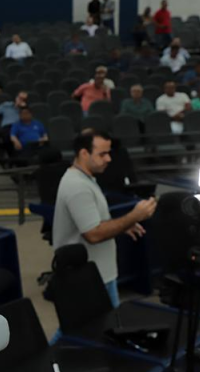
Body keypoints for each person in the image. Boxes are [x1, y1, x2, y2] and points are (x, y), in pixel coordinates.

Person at [53, 130, 157, 310]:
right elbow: (93, 234)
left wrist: (122, 226)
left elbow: (94, 222)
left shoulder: (85, 179)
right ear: (84, 153)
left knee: (88, 331)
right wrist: (134, 216)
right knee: (87, 331)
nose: (108, 159)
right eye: (102, 154)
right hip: (90, 278)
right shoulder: (78, 186)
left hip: (98, 274)